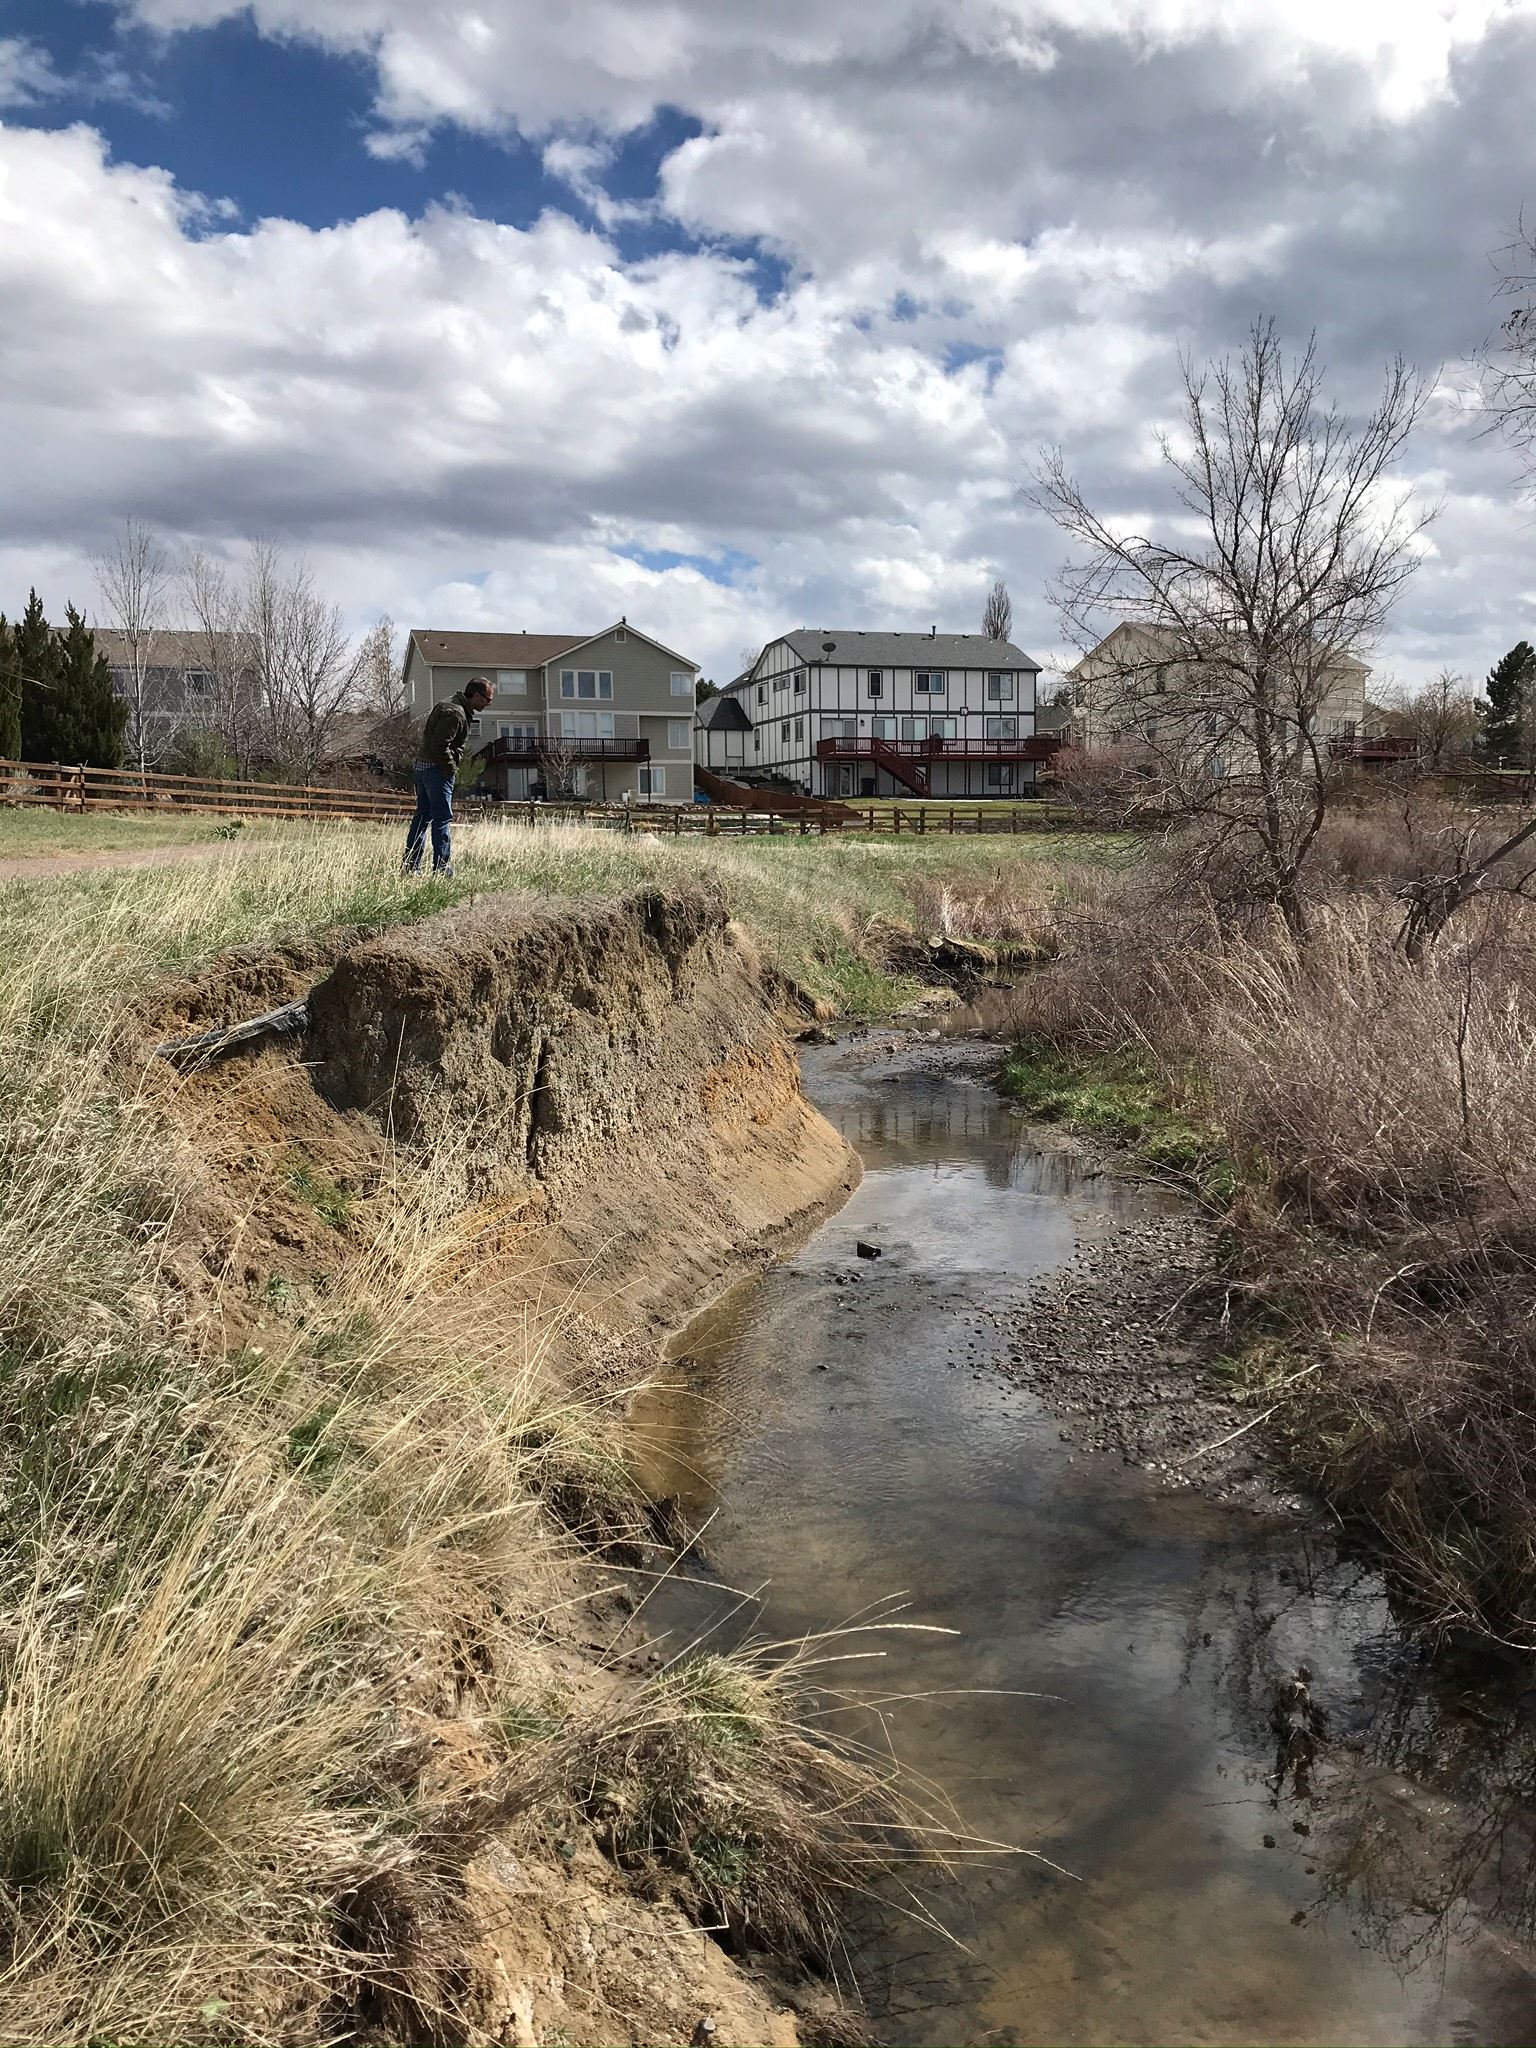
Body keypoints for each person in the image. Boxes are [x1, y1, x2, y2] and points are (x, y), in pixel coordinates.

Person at [403, 674, 493, 876]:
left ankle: (410, 867)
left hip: (422, 767)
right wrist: (451, 769)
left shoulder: (451, 705)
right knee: (442, 819)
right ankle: (441, 869)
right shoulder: (456, 713)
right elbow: (440, 745)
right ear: (477, 696)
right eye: (488, 700)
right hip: (436, 770)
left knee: (422, 818)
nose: (489, 704)